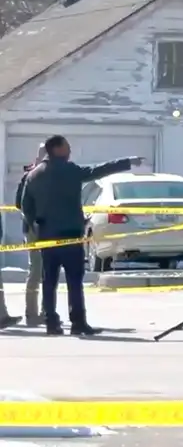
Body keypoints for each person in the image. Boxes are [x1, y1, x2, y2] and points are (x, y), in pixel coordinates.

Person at [20, 135, 143, 336]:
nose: (70, 151)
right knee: (74, 282)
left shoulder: (33, 175)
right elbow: (98, 170)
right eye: (67, 147)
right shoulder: (70, 170)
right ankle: (78, 322)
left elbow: (26, 207)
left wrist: (36, 226)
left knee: (49, 281)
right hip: (70, 235)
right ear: (57, 149)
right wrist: (126, 162)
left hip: (47, 236)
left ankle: (51, 323)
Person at [13, 143, 47, 326]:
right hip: (34, 229)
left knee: (48, 271)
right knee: (36, 269)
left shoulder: (53, 174)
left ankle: (46, 311)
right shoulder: (30, 175)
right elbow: (19, 203)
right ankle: (32, 314)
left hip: (51, 229)